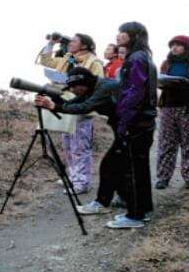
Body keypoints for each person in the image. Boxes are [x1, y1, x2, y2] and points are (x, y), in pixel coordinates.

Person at [35, 67, 123, 216]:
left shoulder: (105, 86)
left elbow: (84, 108)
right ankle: (125, 199)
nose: (73, 90)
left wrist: (54, 106)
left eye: (75, 86)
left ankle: (102, 204)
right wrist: (53, 98)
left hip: (133, 127)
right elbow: (72, 104)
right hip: (123, 127)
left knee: (109, 165)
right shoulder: (92, 88)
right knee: (122, 166)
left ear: (84, 82)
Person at [37, 33, 105, 194]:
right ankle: (73, 177)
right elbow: (45, 61)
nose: (69, 43)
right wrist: (51, 44)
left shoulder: (94, 62)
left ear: (85, 45)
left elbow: (98, 85)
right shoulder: (67, 58)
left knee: (80, 146)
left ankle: (82, 182)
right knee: (67, 145)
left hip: (81, 106)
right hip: (63, 103)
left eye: (74, 41)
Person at [107, 21, 158, 229]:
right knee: (140, 166)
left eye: (123, 32)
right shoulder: (145, 56)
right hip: (144, 119)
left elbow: (134, 91)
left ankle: (135, 215)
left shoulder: (136, 58)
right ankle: (143, 209)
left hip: (136, 120)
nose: (118, 36)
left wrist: (124, 119)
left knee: (133, 170)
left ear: (134, 35)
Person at [155, 35, 189, 190]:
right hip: (168, 107)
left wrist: (186, 86)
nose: (174, 48)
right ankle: (163, 177)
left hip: (188, 109)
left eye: (178, 45)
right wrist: (164, 84)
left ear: (186, 48)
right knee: (166, 143)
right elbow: (160, 83)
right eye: (172, 45)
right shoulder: (166, 64)